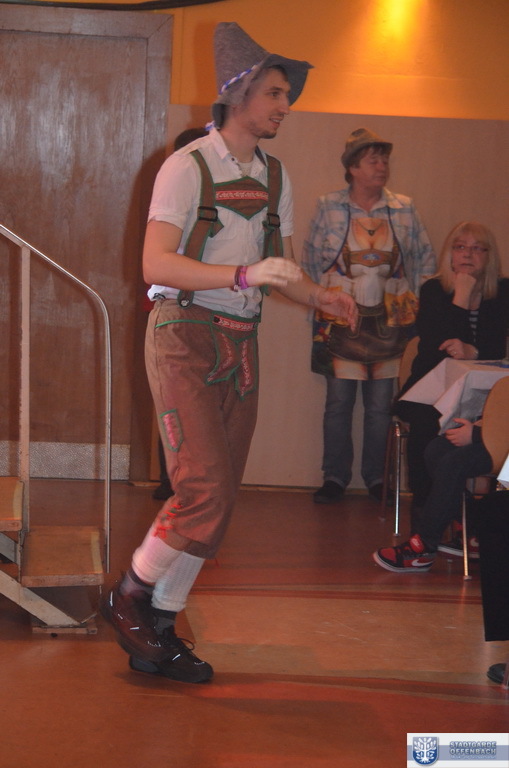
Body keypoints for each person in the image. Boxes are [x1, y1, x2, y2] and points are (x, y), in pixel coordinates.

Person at [102, 22, 357, 684]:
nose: (284, 105)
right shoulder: (185, 168)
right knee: (203, 488)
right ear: (238, 93)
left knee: (220, 498)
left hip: (240, 344)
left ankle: (161, 627)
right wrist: (243, 276)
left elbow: (281, 268)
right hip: (183, 335)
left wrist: (320, 297)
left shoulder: (275, 175)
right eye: (274, 92)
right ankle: (129, 595)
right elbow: (155, 263)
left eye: (286, 95)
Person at [302, 128, 435, 505]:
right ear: (353, 168)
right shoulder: (328, 206)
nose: (382, 166)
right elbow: (309, 262)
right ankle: (334, 477)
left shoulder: (404, 208)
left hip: (392, 324)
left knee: (380, 407)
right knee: (338, 404)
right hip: (338, 324)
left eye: (384, 159)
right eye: (373, 160)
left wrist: (422, 312)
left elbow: (425, 260)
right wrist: (322, 303)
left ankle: (378, 479)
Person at [395, 221, 509, 513]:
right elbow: (438, 346)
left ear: (490, 256)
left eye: (477, 248)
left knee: (493, 427)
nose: (467, 254)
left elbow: (496, 348)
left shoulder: (503, 291)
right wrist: (461, 296)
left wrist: (474, 351)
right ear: (450, 253)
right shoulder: (433, 289)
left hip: (485, 393)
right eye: (460, 247)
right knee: (426, 426)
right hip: (431, 388)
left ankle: (475, 514)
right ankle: (424, 514)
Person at [150, 127, 208, 502]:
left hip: (214, 314)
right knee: (173, 405)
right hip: (175, 312)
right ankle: (171, 479)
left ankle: (192, 484)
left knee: (202, 409)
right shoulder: (171, 195)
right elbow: (157, 264)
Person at [373, 416, 492, 572]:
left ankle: (424, 545)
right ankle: (476, 529)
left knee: (454, 462)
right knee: (437, 449)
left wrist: (477, 434)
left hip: (500, 443)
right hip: (494, 434)